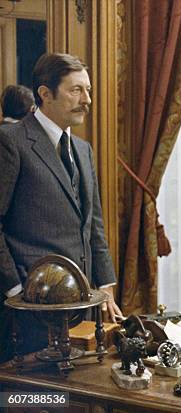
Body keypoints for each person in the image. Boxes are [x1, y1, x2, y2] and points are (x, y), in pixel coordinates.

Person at [0, 53, 123, 361]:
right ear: (45, 94)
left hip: (81, 307)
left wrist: (105, 286)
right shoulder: (10, 141)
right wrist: (16, 289)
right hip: (28, 309)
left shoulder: (83, 150)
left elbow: (92, 224)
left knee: (78, 401)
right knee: (32, 403)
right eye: (76, 90)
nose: (88, 100)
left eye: (88, 90)